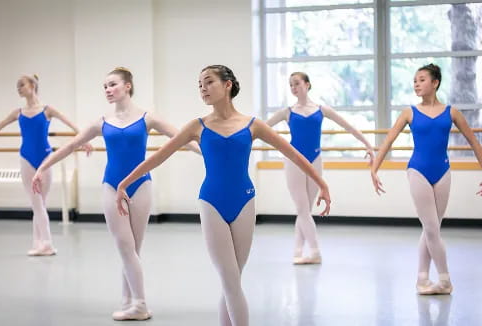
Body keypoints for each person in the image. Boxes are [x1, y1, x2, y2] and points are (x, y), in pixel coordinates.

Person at [115, 65, 331, 326]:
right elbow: (160, 156)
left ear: (227, 85)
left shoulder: (253, 125)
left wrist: (322, 183)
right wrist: (124, 183)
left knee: (233, 281)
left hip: (245, 201)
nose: (203, 88)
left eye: (208, 82)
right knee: (230, 281)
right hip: (211, 203)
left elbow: (293, 153)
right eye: (199, 85)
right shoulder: (197, 126)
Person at [32, 67, 199, 320]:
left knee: (133, 249)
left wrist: (208, 154)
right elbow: (71, 145)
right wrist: (43, 168)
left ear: (127, 86)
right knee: (125, 246)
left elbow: (181, 138)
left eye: (113, 85)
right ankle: (138, 304)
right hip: (111, 186)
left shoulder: (147, 118)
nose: (108, 90)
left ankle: (131, 302)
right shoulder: (102, 122)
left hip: (141, 185)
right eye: (105, 87)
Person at [370, 63, 482, 295]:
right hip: (417, 171)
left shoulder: (451, 112)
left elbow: (474, 142)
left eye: (421, 79)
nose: (416, 84)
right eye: (414, 80)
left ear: (435, 83)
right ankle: (445, 280)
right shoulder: (409, 112)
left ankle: (422, 278)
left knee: (432, 228)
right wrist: (374, 169)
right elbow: (388, 141)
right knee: (432, 228)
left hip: (443, 172)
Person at [0, 74, 92, 256]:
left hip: (46, 159)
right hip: (26, 159)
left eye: (21, 85)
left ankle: (42, 244)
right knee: (37, 203)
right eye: (17, 86)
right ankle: (42, 243)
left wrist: (84, 140)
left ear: (33, 85)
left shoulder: (48, 110)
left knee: (39, 203)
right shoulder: (18, 113)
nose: (18, 88)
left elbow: (71, 124)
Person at [267, 71, 375, 264]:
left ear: (307, 85)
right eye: (291, 85)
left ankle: (298, 251)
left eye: (297, 83)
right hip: (294, 162)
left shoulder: (321, 109)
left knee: (305, 210)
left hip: (316, 160)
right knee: (303, 209)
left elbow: (348, 126)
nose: (294, 87)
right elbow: (262, 127)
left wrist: (367, 144)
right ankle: (315, 252)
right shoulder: (287, 112)